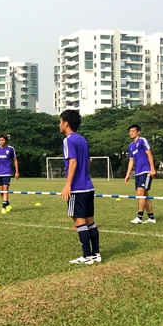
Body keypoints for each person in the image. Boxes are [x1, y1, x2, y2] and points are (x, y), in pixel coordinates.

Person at [59, 109, 99, 265]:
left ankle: (86, 256)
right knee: (91, 222)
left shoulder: (68, 140)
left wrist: (68, 185)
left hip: (77, 188)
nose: (59, 125)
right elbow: (88, 162)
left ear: (66, 123)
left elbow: (73, 162)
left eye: (60, 122)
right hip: (88, 186)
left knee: (79, 221)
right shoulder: (83, 139)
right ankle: (96, 254)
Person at [124, 124, 157, 224]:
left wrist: (152, 169)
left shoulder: (143, 140)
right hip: (138, 173)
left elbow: (149, 154)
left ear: (138, 132)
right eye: (130, 131)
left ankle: (139, 217)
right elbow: (131, 161)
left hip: (145, 171)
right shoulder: (130, 146)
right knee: (145, 195)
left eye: (133, 131)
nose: (131, 133)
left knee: (140, 193)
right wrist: (127, 174)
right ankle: (151, 218)